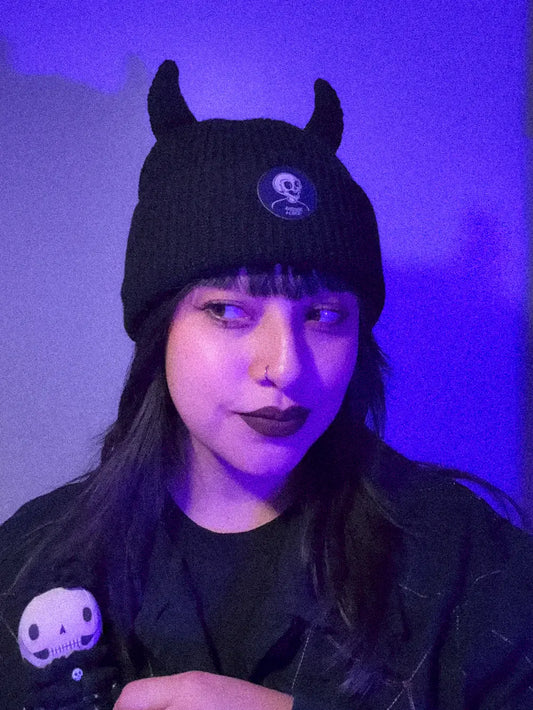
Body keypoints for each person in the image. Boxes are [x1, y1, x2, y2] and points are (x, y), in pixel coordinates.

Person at [0, 59, 532, 710]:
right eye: (228, 310)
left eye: (324, 316)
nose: (285, 366)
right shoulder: (28, 565)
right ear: (159, 328)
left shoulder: (464, 565)